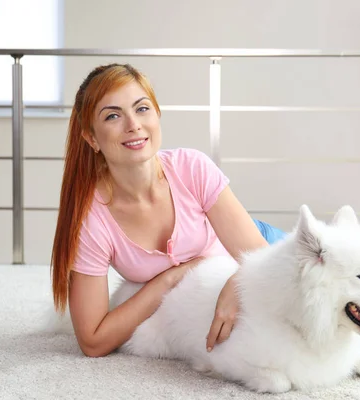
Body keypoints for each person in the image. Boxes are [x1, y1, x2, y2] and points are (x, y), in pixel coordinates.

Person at [50, 63, 286, 358]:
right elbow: (93, 341)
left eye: (142, 108)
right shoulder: (92, 219)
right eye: (113, 115)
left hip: (257, 242)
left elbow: (262, 263)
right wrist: (171, 278)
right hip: (203, 284)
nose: (133, 124)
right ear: (92, 138)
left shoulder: (192, 167)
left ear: (157, 114)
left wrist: (235, 285)